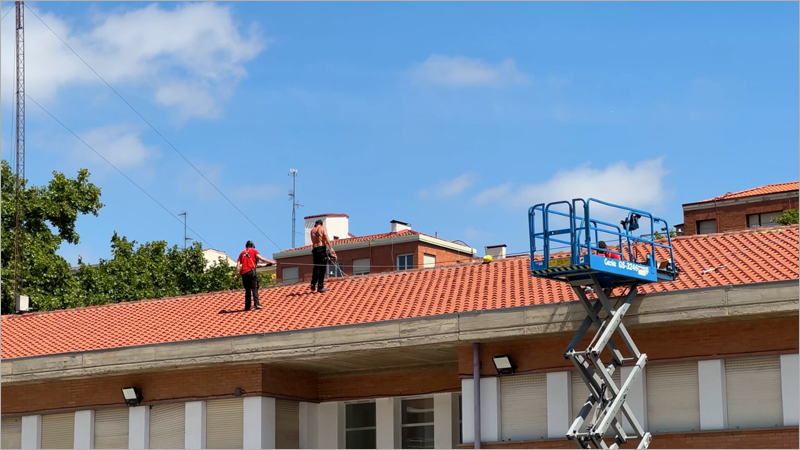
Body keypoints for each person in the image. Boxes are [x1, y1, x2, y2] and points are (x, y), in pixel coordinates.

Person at [235, 240, 272, 310]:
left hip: (244, 274)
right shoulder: (254, 251)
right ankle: (257, 304)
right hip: (251, 272)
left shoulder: (241, 253)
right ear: (252, 246)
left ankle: (247, 306)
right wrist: (272, 262)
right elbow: (261, 258)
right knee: (254, 288)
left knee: (247, 290)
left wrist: (236, 275)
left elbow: (238, 265)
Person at [310, 219, 336, 293]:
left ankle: (313, 283)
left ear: (316, 224)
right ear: (321, 224)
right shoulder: (322, 228)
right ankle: (320, 287)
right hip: (321, 249)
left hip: (315, 250)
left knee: (316, 268)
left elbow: (312, 241)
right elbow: (326, 236)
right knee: (322, 268)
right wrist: (331, 248)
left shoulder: (312, 231)